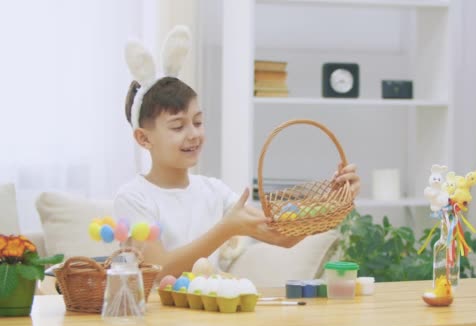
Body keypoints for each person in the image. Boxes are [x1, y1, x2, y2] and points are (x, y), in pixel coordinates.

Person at [114, 26, 360, 279]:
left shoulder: (214, 192)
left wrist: (335, 198)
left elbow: (282, 237)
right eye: (178, 126)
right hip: (158, 316)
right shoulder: (134, 198)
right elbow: (157, 271)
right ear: (144, 138)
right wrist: (226, 229)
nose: (193, 134)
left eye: (198, 122)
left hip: (210, 312)